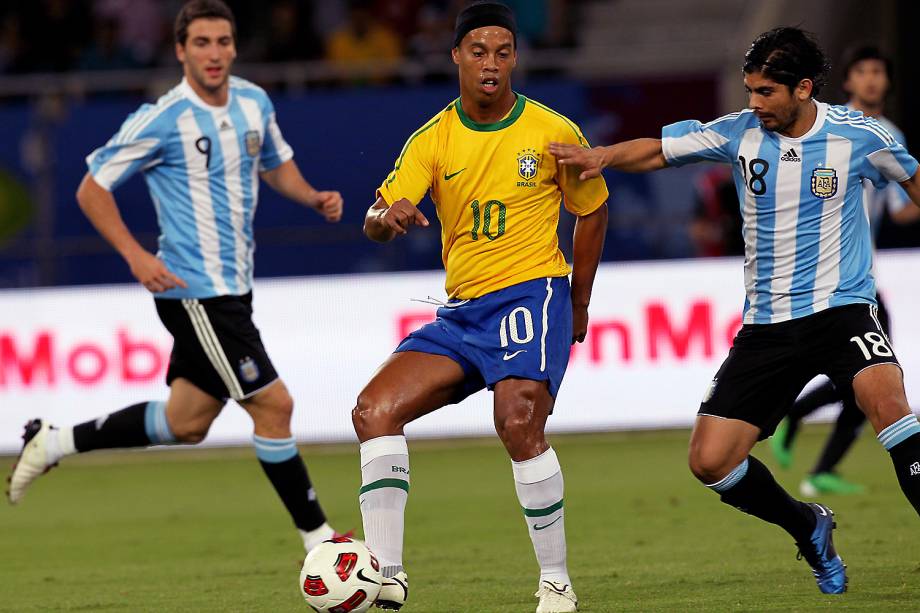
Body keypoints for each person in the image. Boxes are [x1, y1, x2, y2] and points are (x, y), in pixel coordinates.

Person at [550, 27, 920, 595]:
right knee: (710, 462)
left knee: (889, 406)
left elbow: (914, 181)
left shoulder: (860, 136)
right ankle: (806, 524)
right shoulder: (738, 133)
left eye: (765, 92)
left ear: (802, 89)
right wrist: (604, 155)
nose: (753, 103)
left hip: (841, 309)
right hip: (767, 327)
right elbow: (658, 149)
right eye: (749, 90)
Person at [7, 0, 348, 555]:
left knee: (186, 422)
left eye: (223, 42)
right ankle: (320, 540)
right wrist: (135, 256)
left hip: (235, 287)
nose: (214, 54)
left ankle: (53, 442)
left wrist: (309, 195)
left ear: (235, 47)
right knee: (274, 405)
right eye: (202, 44)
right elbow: (91, 189)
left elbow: (274, 161)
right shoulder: (162, 119)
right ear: (180, 50)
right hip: (195, 292)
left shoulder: (254, 102)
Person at [352, 3, 608, 611]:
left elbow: (591, 209)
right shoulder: (433, 140)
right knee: (373, 411)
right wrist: (387, 220)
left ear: (514, 58)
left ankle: (556, 583)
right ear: (456, 58)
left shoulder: (554, 132)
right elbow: (375, 219)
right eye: (477, 52)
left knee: (518, 421)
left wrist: (578, 301)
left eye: (501, 51)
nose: (490, 63)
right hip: (463, 313)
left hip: (531, 291)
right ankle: (387, 578)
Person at [771, 44, 920, 496]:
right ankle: (804, 435)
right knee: (875, 373)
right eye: (863, 71)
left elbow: (900, 208)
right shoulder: (827, 125)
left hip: (858, 275)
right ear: (849, 81)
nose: (872, 79)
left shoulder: (885, 133)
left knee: (868, 376)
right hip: (835, 279)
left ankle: (812, 450)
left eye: (880, 71)